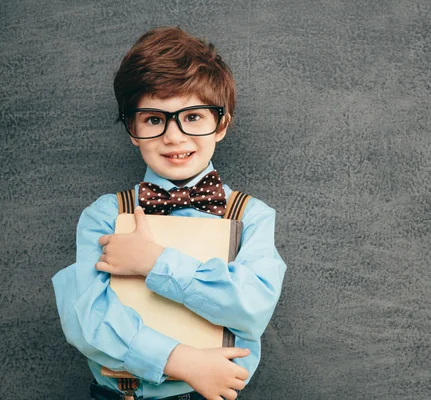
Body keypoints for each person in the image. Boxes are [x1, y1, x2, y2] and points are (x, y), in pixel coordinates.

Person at [52, 26, 286, 400]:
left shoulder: (251, 215)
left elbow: (252, 306)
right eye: (154, 119)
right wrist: (183, 361)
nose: (174, 137)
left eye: (193, 117)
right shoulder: (104, 215)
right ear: (132, 128)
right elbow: (86, 318)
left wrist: (155, 262)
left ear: (221, 124)